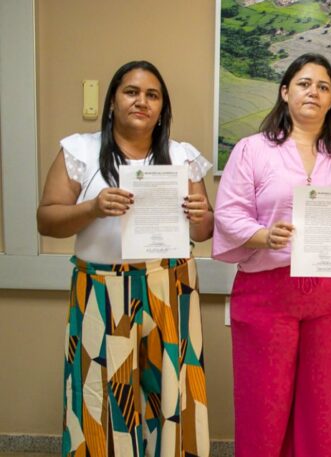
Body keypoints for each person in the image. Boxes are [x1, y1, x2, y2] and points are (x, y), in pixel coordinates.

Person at [212, 53, 331, 457]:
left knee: (328, 407)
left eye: (323, 87)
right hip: (266, 295)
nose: (314, 91)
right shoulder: (251, 150)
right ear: (285, 91)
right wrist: (263, 235)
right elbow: (228, 213)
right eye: (305, 83)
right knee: (264, 405)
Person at [37, 60, 213, 456]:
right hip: (101, 289)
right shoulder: (79, 150)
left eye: (152, 95)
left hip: (170, 287)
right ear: (113, 101)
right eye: (131, 92)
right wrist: (93, 208)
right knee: (100, 396)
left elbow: (203, 233)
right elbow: (46, 219)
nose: (142, 101)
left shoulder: (181, 156)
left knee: (170, 394)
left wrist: (202, 216)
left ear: (162, 108)